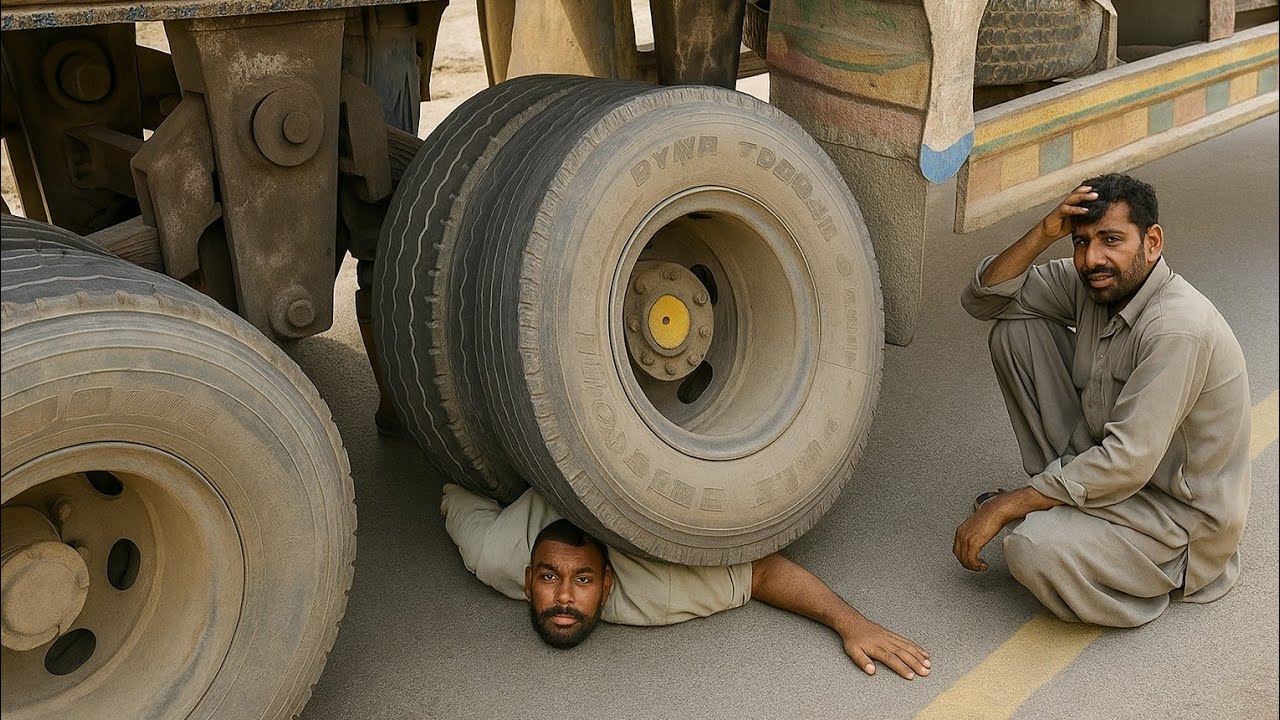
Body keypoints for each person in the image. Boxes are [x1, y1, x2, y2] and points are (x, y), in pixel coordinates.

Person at [953, 173, 1251, 627]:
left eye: (1111, 240)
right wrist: (1042, 233)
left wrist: (1010, 503)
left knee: (1031, 550)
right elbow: (984, 300)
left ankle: (1148, 576)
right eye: (1081, 242)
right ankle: (1066, 502)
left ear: (1152, 242)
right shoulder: (1095, 283)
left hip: (1173, 517)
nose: (1093, 258)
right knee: (1015, 331)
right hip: (1115, 473)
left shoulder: (1177, 328)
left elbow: (1128, 461)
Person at [440, 483, 931, 680]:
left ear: (608, 584)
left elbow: (763, 569)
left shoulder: (658, 588)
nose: (565, 596)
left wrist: (851, 623)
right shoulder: (496, 554)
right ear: (528, 580)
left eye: (583, 579)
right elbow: (453, 487)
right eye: (550, 577)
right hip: (537, 482)